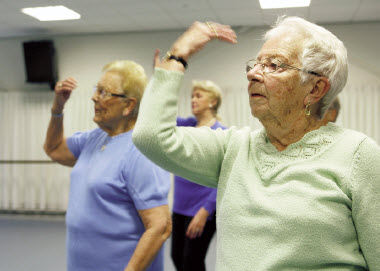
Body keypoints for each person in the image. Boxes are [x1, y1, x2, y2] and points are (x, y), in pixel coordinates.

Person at [132, 17, 380, 270]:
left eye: (274, 65)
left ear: (315, 89)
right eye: (256, 64)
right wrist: (178, 55)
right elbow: (151, 137)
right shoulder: (234, 148)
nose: (252, 74)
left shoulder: (357, 155)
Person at [43, 60, 171, 271]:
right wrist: (58, 108)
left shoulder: (141, 151)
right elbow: (54, 149)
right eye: (97, 89)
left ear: (128, 105)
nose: (94, 97)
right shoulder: (94, 138)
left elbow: (160, 226)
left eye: (104, 93)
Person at [172, 80, 226, 271]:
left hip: (202, 209)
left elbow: (224, 179)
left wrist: (205, 212)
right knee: (177, 257)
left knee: (191, 262)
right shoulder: (186, 125)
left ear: (212, 102)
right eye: (192, 96)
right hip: (179, 207)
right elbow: (162, 116)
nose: (193, 100)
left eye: (198, 96)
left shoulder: (221, 133)